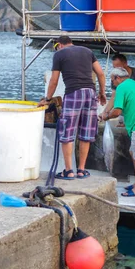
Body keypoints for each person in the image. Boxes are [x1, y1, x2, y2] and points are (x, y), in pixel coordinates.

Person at [39, 36, 107, 180]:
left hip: (73, 93)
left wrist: (48, 99)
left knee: (67, 133)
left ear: (59, 45)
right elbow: (100, 73)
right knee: (86, 133)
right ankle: (81, 170)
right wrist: (102, 93)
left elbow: (54, 80)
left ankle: (69, 171)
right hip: (90, 93)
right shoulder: (87, 51)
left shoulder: (59, 54)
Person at [100, 67, 135, 197]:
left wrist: (106, 116)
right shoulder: (134, 84)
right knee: (134, 152)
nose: (112, 83)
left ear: (117, 78)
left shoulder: (121, 87)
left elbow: (117, 111)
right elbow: (118, 101)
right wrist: (105, 112)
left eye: (112, 80)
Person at [102, 54, 135, 126]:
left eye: (118, 66)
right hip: (125, 112)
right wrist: (105, 112)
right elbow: (114, 97)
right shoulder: (115, 78)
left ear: (125, 63)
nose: (116, 68)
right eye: (114, 67)